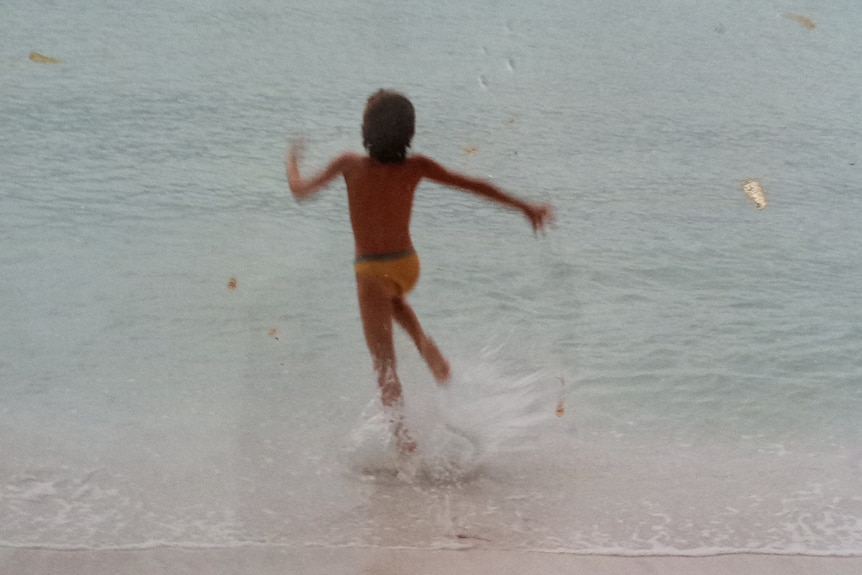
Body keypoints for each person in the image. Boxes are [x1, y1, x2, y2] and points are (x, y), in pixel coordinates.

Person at [286, 89, 554, 454]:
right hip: (407, 264)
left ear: (367, 129)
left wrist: (292, 161)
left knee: (384, 363)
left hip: (370, 272)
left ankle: (402, 440)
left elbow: (300, 191)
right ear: (407, 133)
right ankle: (426, 346)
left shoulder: (348, 164)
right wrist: (524, 207)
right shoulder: (417, 167)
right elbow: (474, 185)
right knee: (390, 296)